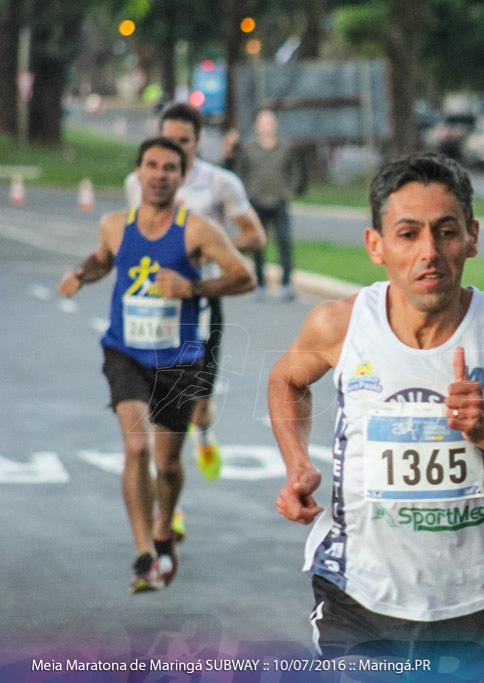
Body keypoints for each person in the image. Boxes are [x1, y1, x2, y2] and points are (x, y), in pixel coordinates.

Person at [268, 154, 484, 672]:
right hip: (357, 596)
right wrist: (296, 462)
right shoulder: (341, 326)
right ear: (377, 245)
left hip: (469, 603)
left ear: (473, 237)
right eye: (408, 234)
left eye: (446, 232)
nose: (429, 253)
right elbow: (286, 379)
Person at [58, 137, 255, 593]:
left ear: (181, 177)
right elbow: (102, 260)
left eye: (170, 168)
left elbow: (244, 276)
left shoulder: (198, 231)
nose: (159, 174)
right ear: (138, 172)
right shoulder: (114, 225)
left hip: (180, 358)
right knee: (135, 449)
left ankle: (165, 527)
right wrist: (79, 274)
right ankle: (145, 552)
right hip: (125, 352)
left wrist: (193, 289)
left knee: (167, 464)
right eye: (151, 165)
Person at [126, 103, 265, 485]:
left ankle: (203, 432)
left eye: (184, 141)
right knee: (156, 401)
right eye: (168, 139)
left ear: (198, 142)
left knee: (197, 407)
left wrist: (206, 247)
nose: (176, 148)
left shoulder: (220, 183)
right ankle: (167, 489)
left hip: (202, 301)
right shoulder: (139, 182)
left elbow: (256, 236)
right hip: (154, 306)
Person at [234, 108, 303, 301]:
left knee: (284, 242)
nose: (267, 127)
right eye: (263, 123)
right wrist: (246, 193)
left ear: (275, 126)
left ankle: (287, 284)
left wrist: (289, 190)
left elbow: (294, 171)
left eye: (270, 123)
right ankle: (260, 285)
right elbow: (241, 172)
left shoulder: (285, 148)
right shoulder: (249, 149)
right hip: (257, 201)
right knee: (257, 244)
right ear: (257, 126)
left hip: (279, 200)